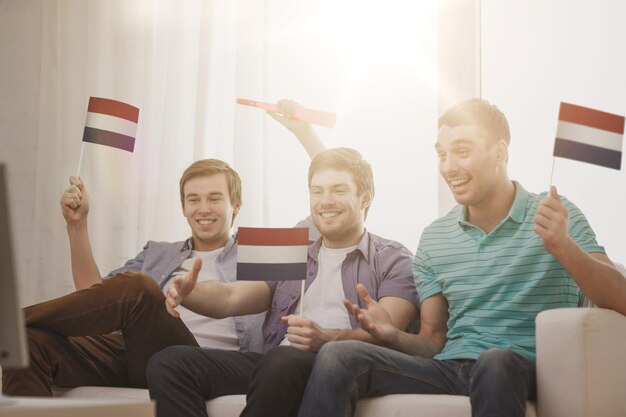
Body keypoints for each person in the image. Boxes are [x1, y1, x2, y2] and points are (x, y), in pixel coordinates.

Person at [295, 98, 626, 417]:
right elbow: (432, 342)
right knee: (338, 356)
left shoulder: (557, 214)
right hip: (450, 368)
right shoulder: (435, 238)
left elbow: (620, 297)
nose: (449, 167)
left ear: (500, 152)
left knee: (495, 361)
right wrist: (391, 335)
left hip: (523, 368)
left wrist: (563, 246)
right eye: (441, 155)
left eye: (462, 152)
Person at [1, 100, 320, 397]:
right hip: (134, 355)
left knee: (140, 289)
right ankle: (14, 331)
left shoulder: (258, 250)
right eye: (193, 199)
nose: (203, 208)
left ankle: (10, 323)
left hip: (202, 366)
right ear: (183, 207)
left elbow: (323, 216)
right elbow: (93, 296)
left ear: (236, 206)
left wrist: (305, 133)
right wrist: (77, 225)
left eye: (214, 198)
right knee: (29, 345)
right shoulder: (158, 253)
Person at [146, 147, 420, 417]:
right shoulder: (292, 247)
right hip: (275, 362)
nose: (325, 201)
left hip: (336, 366)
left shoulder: (393, 258)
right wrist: (189, 293)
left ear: (365, 198)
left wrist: (326, 339)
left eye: (338, 190)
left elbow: (388, 334)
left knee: (282, 360)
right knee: (168, 362)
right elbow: (230, 297)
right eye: (317, 191)